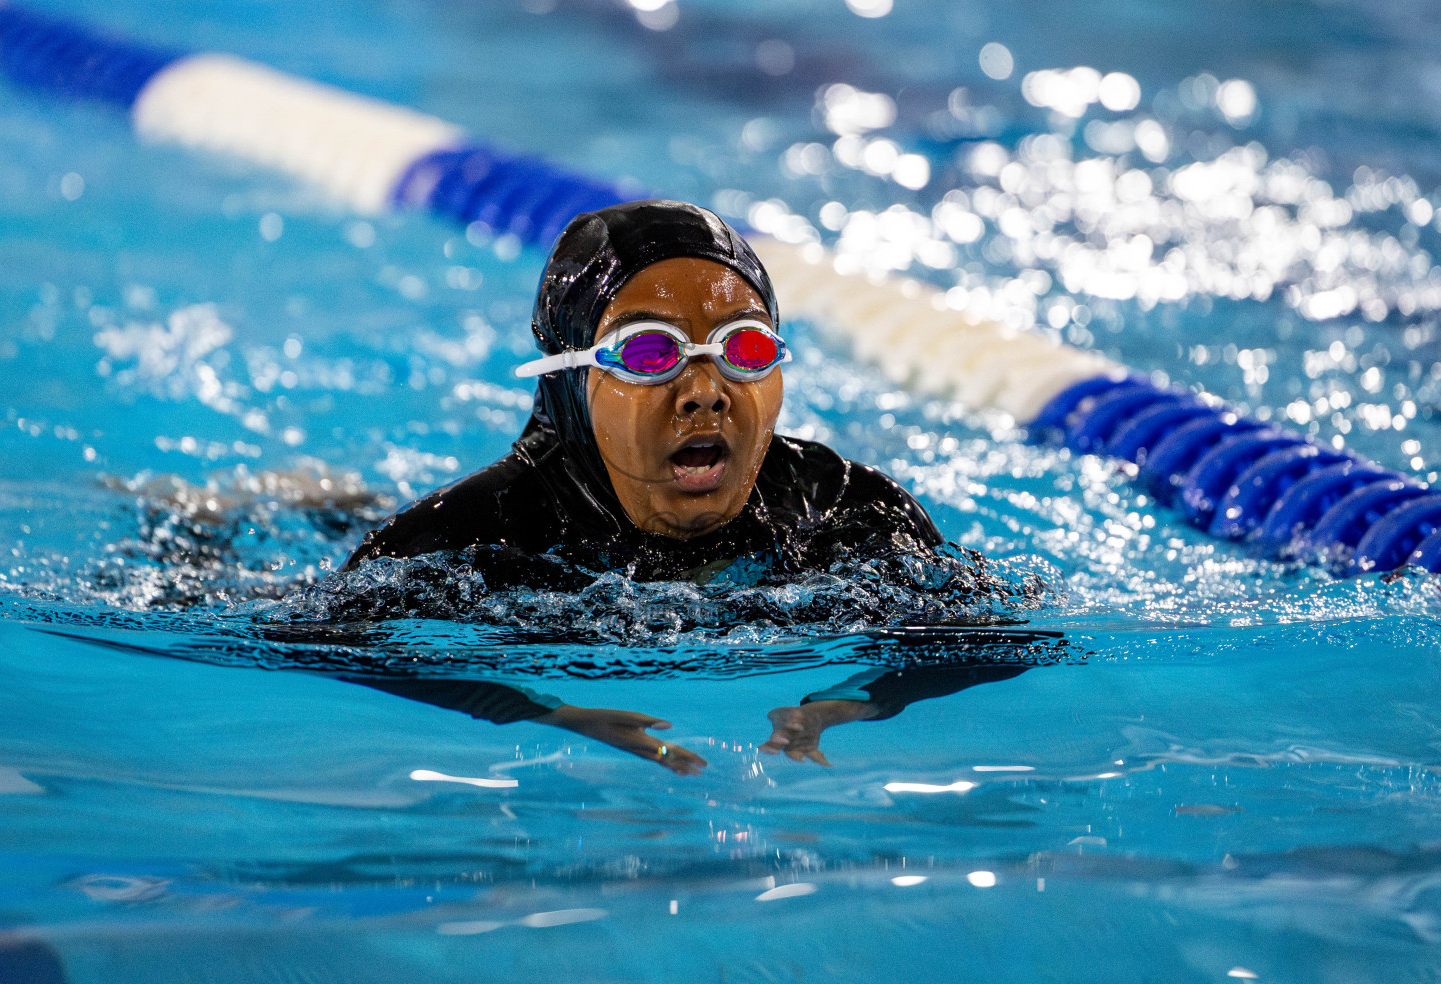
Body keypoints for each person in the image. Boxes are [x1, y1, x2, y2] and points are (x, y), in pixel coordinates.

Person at [335, 199, 1010, 773]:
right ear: (569, 377)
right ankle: (323, 498)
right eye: (649, 353)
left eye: (742, 348)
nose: (705, 394)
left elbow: (996, 635)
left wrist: (854, 701)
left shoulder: (839, 507)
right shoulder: (474, 533)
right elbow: (320, 641)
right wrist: (543, 712)